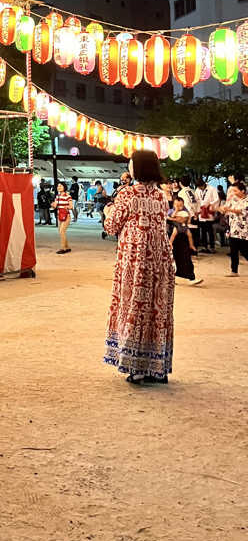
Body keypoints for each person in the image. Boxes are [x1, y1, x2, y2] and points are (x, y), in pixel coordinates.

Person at [102, 150, 174, 385]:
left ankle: (136, 367)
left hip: (135, 259)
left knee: (134, 305)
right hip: (160, 260)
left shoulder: (127, 194)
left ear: (138, 167)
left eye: (131, 163)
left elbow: (112, 226)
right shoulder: (162, 196)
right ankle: (157, 367)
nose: (129, 167)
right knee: (157, 309)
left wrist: (107, 210)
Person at [168, 195, 203, 285]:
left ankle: (191, 277)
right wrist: (176, 218)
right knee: (172, 258)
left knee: (186, 256)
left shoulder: (185, 210)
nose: (179, 206)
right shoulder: (171, 209)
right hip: (174, 233)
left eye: (180, 205)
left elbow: (187, 219)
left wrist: (184, 219)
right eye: (177, 205)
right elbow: (168, 218)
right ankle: (171, 278)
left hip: (183, 234)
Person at [221, 179, 248, 276]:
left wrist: (230, 209)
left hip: (244, 230)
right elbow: (226, 209)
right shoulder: (234, 199)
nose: (234, 193)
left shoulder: (247, 200)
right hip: (233, 228)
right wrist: (223, 209)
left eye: (236, 191)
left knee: (245, 250)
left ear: (243, 191)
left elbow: (241, 211)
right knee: (233, 251)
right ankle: (234, 270)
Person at [195, 178, 218, 254]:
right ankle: (205, 247)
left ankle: (212, 247)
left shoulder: (212, 189)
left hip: (208, 211)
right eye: (199, 187)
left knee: (210, 231)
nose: (200, 188)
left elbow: (216, 199)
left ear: (204, 184)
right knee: (203, 231)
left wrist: (210, 204)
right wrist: (197, 211)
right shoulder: (197, 190)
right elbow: (196, 200)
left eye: (201, 186)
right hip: (201, 212)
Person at [178, 175, 199, 252]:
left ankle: (190, 250)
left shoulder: (181, 193)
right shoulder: (193, 191)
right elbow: (198, 201)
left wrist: (191, 215)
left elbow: (186, 204)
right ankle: (195, 249)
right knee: (195, 233)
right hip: (196, 214)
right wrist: (196, 213)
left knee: (188, 233)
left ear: (180, 183)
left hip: (189, 215)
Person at [51, 181, 73, 253]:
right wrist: (53, 204)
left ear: (64, 187)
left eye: (60, 186)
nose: (59, 187)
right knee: (61, 232)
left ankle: (63, 248)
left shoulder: (68, 196)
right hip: (59, 215)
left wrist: (67, 207)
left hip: (66, 216)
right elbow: (55, 206)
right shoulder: (58, 196)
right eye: (58, 186)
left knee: (62, 231)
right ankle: (67, 247)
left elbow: (71, 206)